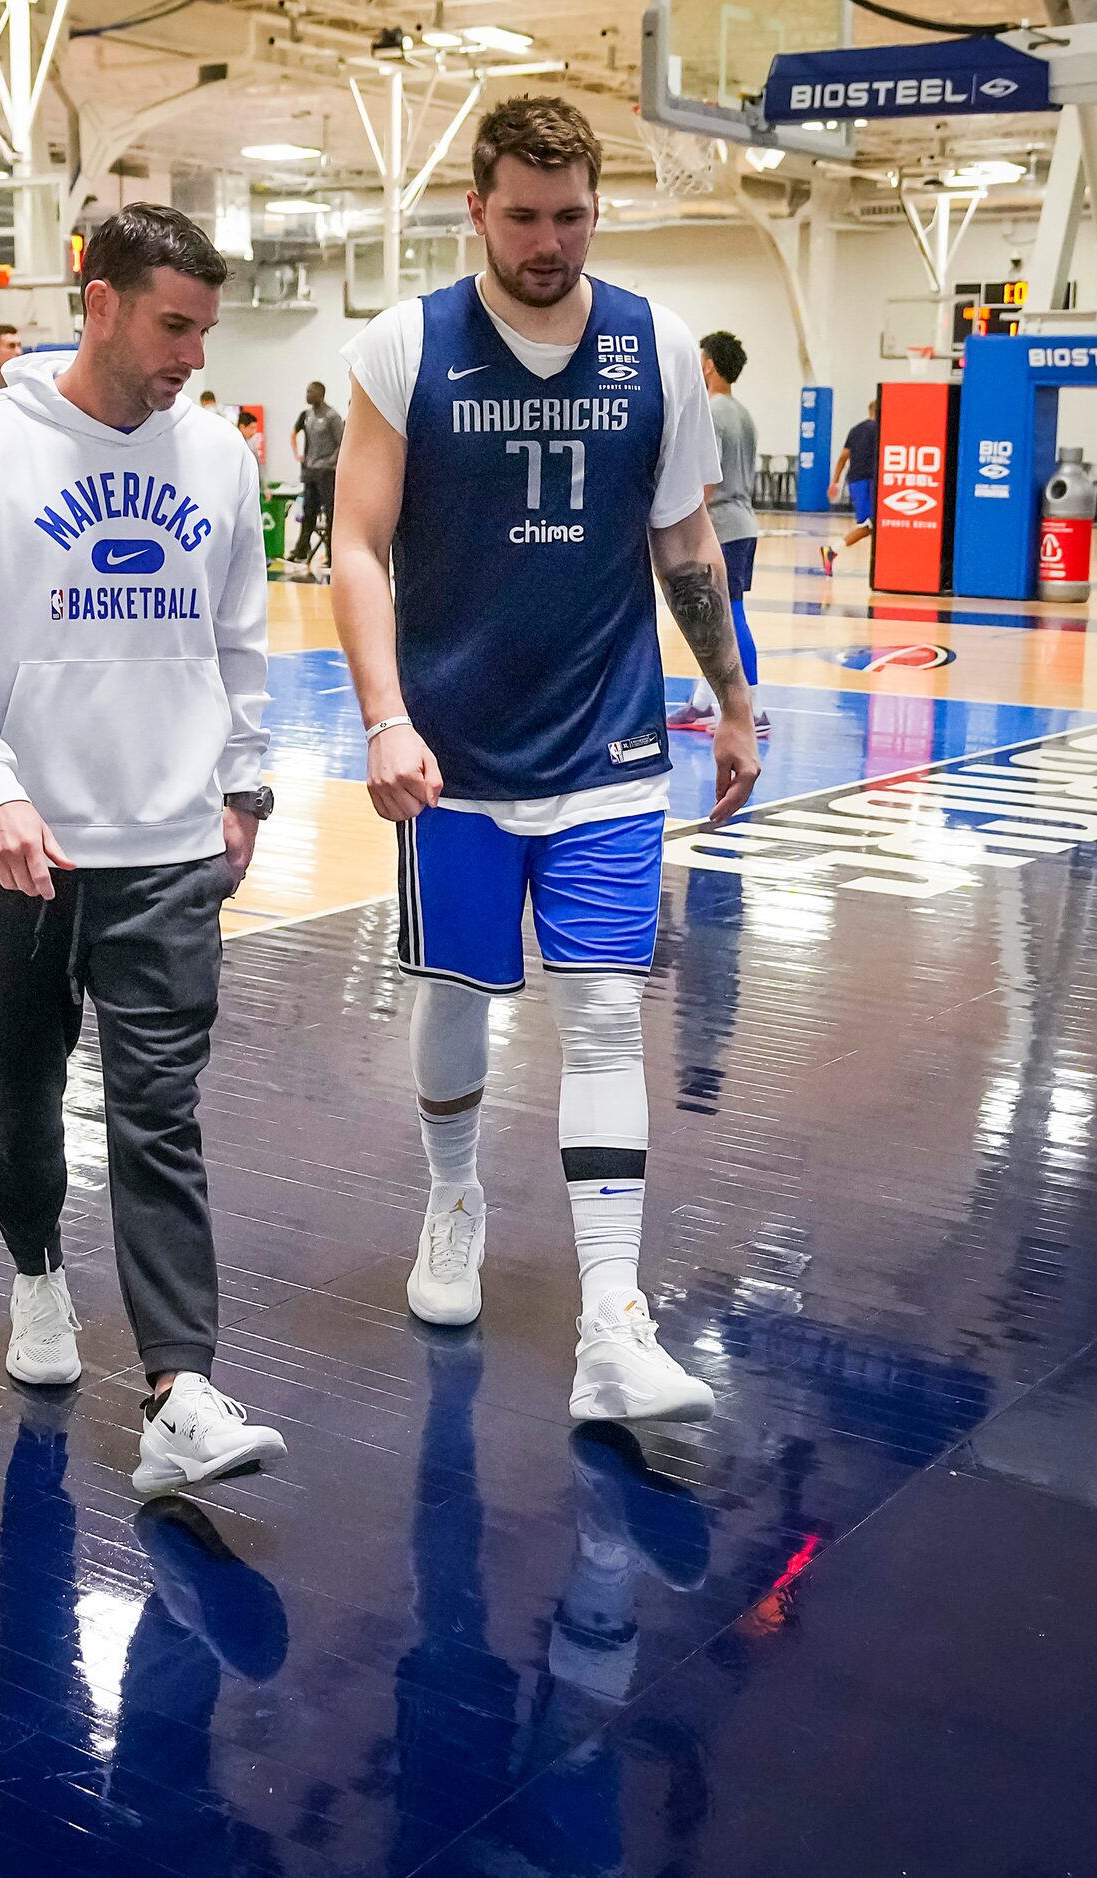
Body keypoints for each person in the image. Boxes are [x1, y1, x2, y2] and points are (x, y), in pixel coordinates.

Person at [330, 94, 760, 1425]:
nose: (546, 240)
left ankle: (614, 1319)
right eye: (521, 214)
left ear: (595, 207)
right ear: (475, 206)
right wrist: (384, 716)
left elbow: (685, 547)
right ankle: (450, 1195)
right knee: (455, 998)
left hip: (611, 747)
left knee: (602, 1009)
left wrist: (734, 702)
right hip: (451, 755)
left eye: (570, 215)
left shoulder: (655, 345)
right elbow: (353, 540)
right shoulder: (408, 345)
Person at [0, 201, 287, 1499]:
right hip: (6, 847)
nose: (192, 353)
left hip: (169, 841)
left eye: (204, 329)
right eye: (172, 324)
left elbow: (242, 635)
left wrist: (246, 785)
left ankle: (178, 1388)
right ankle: (34, 1277)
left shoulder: (221, 457)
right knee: (17, 1095)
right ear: (101, 301)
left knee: (159, 1113)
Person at [671, 331, 767, 733]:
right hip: (743, 521)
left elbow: (707, 478)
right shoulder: (742, 412)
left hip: (722, 525)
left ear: (707, 364)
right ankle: (702, 702)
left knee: (729, 615)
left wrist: (686, 524)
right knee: (710, 615)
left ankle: (755, 711)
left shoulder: (713, 412)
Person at [287, 380, 341, 570]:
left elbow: (341, 443)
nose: (307, 394)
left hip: (326, 472)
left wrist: (330, 463)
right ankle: (301, 550)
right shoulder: (307, 415)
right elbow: (295, 434)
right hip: (310, 471)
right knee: (308, 513)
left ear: (320, 393)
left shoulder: (332, 416)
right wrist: (298, 455)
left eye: (310, 391)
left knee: (330, 514)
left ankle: (332, 555)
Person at [825, 394, 878, 572]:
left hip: (854, 481)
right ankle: (831, 550)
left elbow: (842, 458)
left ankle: (878, 564)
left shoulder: (855, 430)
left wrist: (835, 482)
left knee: (873, 525)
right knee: (870, 525)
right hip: (869, 482)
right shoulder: (879, 429)